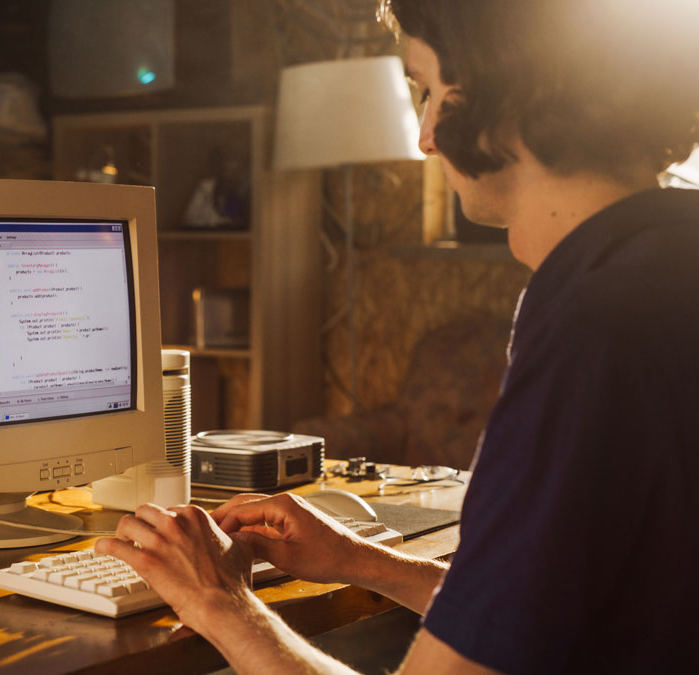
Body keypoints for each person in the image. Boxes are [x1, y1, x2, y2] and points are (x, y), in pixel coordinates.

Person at [95, 1, 699, 672]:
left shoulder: (594, 334)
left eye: (428, 91)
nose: (425, 137)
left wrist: (221, 602)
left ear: (501, 97)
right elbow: (545, 613)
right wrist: (359, 560)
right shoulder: (665, 267)